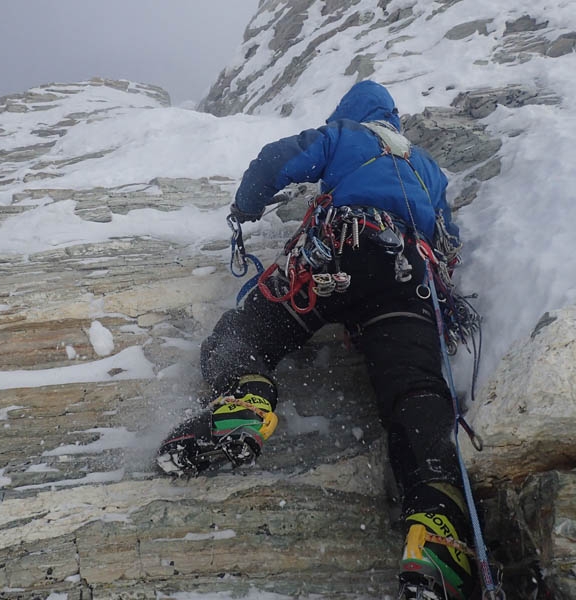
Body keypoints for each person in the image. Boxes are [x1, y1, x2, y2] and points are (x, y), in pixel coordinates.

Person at [157, 81, 477, 600]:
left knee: (243, 331)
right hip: (409, 282)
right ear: (394, 119)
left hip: (337, 258)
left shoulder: (344, 135)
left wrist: (245, 208)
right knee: (416, 389)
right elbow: (449, 238)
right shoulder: (427, 165)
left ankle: (247, 399)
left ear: (350, 113)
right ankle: (436, 524)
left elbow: (277, 160)